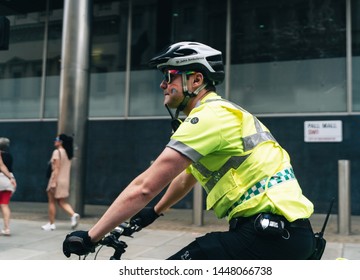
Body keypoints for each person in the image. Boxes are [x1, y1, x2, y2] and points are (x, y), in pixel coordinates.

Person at [63, 42, 316, 259]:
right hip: (285, 234)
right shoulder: (224, 114)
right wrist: (154, 212)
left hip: (267, 234)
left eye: (169, 76)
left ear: (196, 80)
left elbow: (144, 187)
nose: (163, 85)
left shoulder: (209, 117)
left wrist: (90, 236)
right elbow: (187, 177)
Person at [41, 133, 80, 231]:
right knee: (61, 201)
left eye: (56, 139)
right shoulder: (68, 153)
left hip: (56, 179)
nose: (55, 140)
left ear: (61, 141)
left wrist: (53, 182)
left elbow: (56, 168)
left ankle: (51, 224)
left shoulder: (57, 152)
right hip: (65, 180)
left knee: (51, 202)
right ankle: (73, 214)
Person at [0, 137, 17, 236]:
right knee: (4, 204)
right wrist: (11, 178)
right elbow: (2, 166)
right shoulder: (9, 156)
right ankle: (7, 228)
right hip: (7, 181)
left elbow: (1, 166)